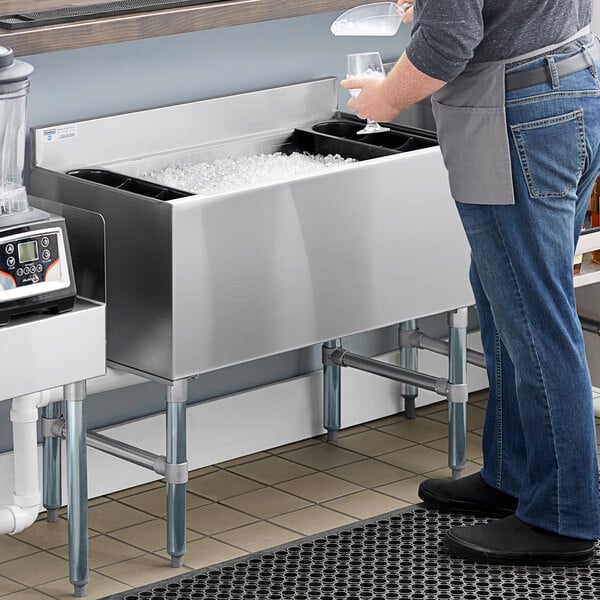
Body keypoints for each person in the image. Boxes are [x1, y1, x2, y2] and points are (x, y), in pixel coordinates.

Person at [341, 0, 600, 566]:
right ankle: (514, 473)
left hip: (518, 110)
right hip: (569, 84)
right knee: (502, 290)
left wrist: (382, 99)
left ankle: (563, 516)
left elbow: (446, 44)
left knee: (535, 319)